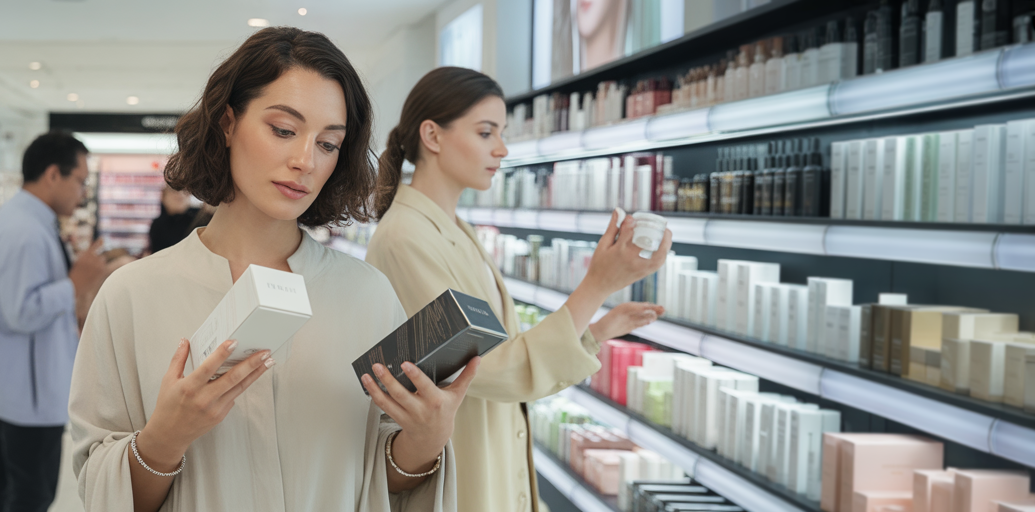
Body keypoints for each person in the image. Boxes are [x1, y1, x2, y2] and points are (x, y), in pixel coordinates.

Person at [69, 27, 473, 512]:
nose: (305, 160)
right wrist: (164, 439)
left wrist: (425, 441)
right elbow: (98, 488)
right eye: (283, 130)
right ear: (227, 123)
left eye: (328, 144)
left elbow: (377, 482)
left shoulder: (367, 294)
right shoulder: (131, 295)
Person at [362, 67, 669, 512]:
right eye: (486, 133)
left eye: (501, 133)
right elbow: (482, 367)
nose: (502, 149)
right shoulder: (404, 238)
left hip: (491, 466)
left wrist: (594, 333)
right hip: (461, 474)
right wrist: (597, 284)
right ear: (433, 135)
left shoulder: (455, 229)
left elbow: (492, 349)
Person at [0, 131, 125, 512]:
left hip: (11, 386)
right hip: (27, 395)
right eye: (80, 180)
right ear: (53, 174)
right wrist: (75, 283)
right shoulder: (24, 230)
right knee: (30, 493)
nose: (83, 192)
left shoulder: (21, 219)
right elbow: (21, 311)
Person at [146, 185, 202, 254]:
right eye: (173, 192)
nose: (179, 195)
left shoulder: (199, 218)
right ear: (163, 197)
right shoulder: (158, 224)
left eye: (184, 192)